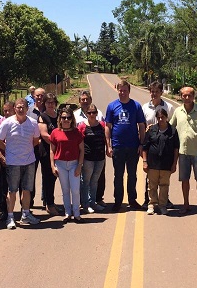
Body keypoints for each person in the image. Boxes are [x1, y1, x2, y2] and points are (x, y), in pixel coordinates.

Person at [0, 98, 41, 229]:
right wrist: (9, 150)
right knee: (12, 190)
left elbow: (36, 140)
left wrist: (26, 150)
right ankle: (10, 217)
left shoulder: (33, 123)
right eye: (18, 107)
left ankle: (26, 214)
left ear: (27, 109)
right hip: (13, 163)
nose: (20, 109)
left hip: (29, 161)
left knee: (27, 189)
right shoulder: (7, 123)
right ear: (14, 108)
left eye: (23, 107)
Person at [105, 80, 147, 212]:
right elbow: (108, 126)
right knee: (118, 175)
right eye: (120, 90)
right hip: (117, 146)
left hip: (133, 146)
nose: (122, 93)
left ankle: (132, 200)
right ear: (117, 90)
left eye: (125, 90)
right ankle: (118, 201)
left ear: (129, 91)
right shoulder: (112, 106)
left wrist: (141, 144)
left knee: (132, 175)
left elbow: (141, 126)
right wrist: (108, 145)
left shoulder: (136, 106)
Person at [170, 86, 197, 214]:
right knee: (184, 180)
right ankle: (186, 204)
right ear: (181, 96)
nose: (187, 98)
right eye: (184, 95)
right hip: (183, 152)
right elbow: (171, 127)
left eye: (189, 95)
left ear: (193, 96)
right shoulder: (178, 111)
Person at [141, 81, 175, 207]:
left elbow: (172, 126)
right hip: (151, 146)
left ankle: (165, 199)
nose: (154, 94)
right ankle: (148, 199)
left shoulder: (169, 107)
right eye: (152, 92)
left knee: (164, 174)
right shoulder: (144, 108)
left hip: (165, 146)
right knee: (150, 174)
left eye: (156, 92)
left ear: (161, 92)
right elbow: (141, 125)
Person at [142, 107, 179, 215]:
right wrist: (145, 161)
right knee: (152, 186)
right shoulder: (151, 130)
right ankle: (152, 205)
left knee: (164, 185)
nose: (160, 119)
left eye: (163, 117)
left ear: (167, 117)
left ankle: (162, 205)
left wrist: (174, 163)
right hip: (152, 163)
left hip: (166, 164)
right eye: (158, 118)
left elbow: (176, 148)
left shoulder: (173, 131)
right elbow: (145, 147)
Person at [50, 108, 85, 222]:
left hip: (74, 164)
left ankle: (77, 213)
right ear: (60, 119)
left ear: (72, 119)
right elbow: (52, 150)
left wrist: (79, 165)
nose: (66, 120)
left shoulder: (77, 132)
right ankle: (67, 213)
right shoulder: (55, 132)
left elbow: (82, 150)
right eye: (63, 117)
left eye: (68, 117)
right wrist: (53, 165)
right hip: (60, 164)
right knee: (65, 190)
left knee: (75, 190)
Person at [74, 90, 106, 209]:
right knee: (85, 181)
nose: (92, 114)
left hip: (100, 157)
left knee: (95, 181)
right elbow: (78, 140)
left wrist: (108, 148)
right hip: (87, 157)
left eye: (94, 112)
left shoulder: (101, 123)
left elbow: (106, 136)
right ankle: (85, 203)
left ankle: (93, 202)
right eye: (90, 112)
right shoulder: (80, 123)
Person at [38, 93, 61, 215]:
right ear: (44, 104)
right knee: (48, 178)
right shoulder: (42, 117)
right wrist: (59, 142)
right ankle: (49, 204)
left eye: (52, 102)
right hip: (47, 151)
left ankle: (50, 202)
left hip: (59, 151)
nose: (50, 105)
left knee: (54, 178)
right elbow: (44, 135)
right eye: (48, 102)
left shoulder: (59, 116)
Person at [0, 101, 14, 216]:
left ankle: (24, 210)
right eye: (5, 111)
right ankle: (5, 210)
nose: (7, 113)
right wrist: (1, 157)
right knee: (3, 187)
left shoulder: (19, 122)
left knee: (18, 186)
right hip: (3, 160)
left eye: (9, 110)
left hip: (17, 160)